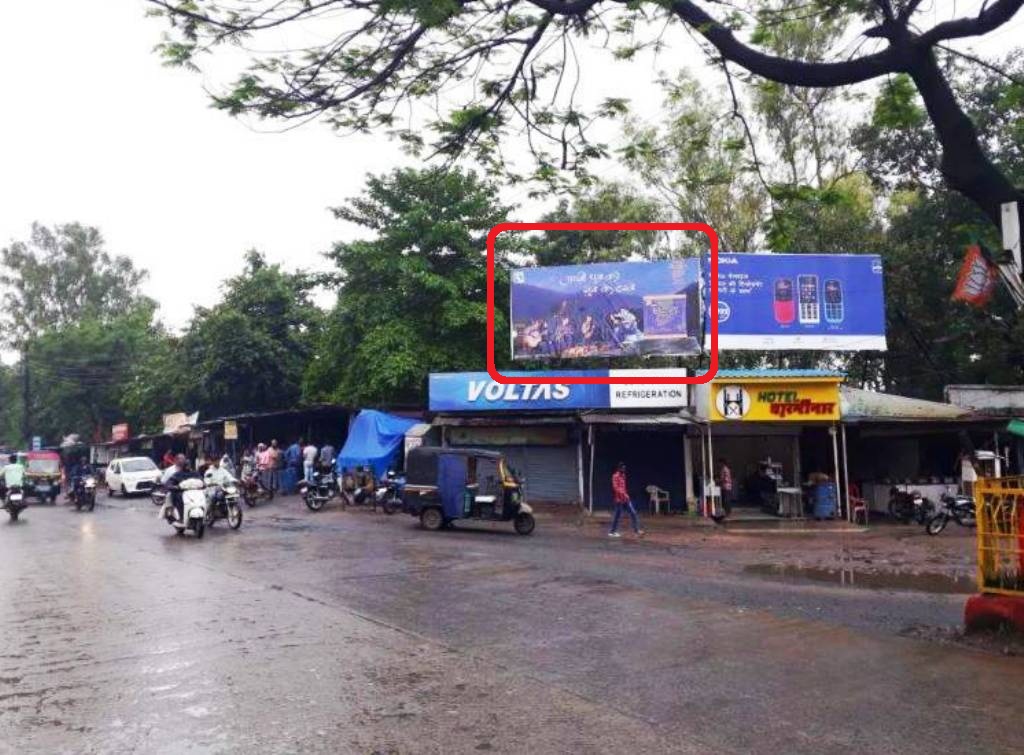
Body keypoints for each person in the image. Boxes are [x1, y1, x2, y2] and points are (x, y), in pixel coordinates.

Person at [609, 462, 644, 538]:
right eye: (622, 468)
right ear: (619, 468)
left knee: (633, 513)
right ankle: (612, 532)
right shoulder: (615, 476)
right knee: (617, 516)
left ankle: (637, 530)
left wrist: (626, 494)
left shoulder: (623, 476)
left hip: (625, 499)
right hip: (619, 500)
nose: (624, 469)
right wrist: (623, 494)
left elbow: (623, 487)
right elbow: (615, 488)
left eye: (624, 468)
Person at [164, 454, 197, 521]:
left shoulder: (194, 473)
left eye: (189, 465)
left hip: (193, 492)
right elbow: (169, 481)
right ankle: (178, 516)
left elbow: (201, 480)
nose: (188, 467)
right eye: (186, 465)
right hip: (181, 492)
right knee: (175, 497)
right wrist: (173, 486)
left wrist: (204, 484)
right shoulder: (177, 474)